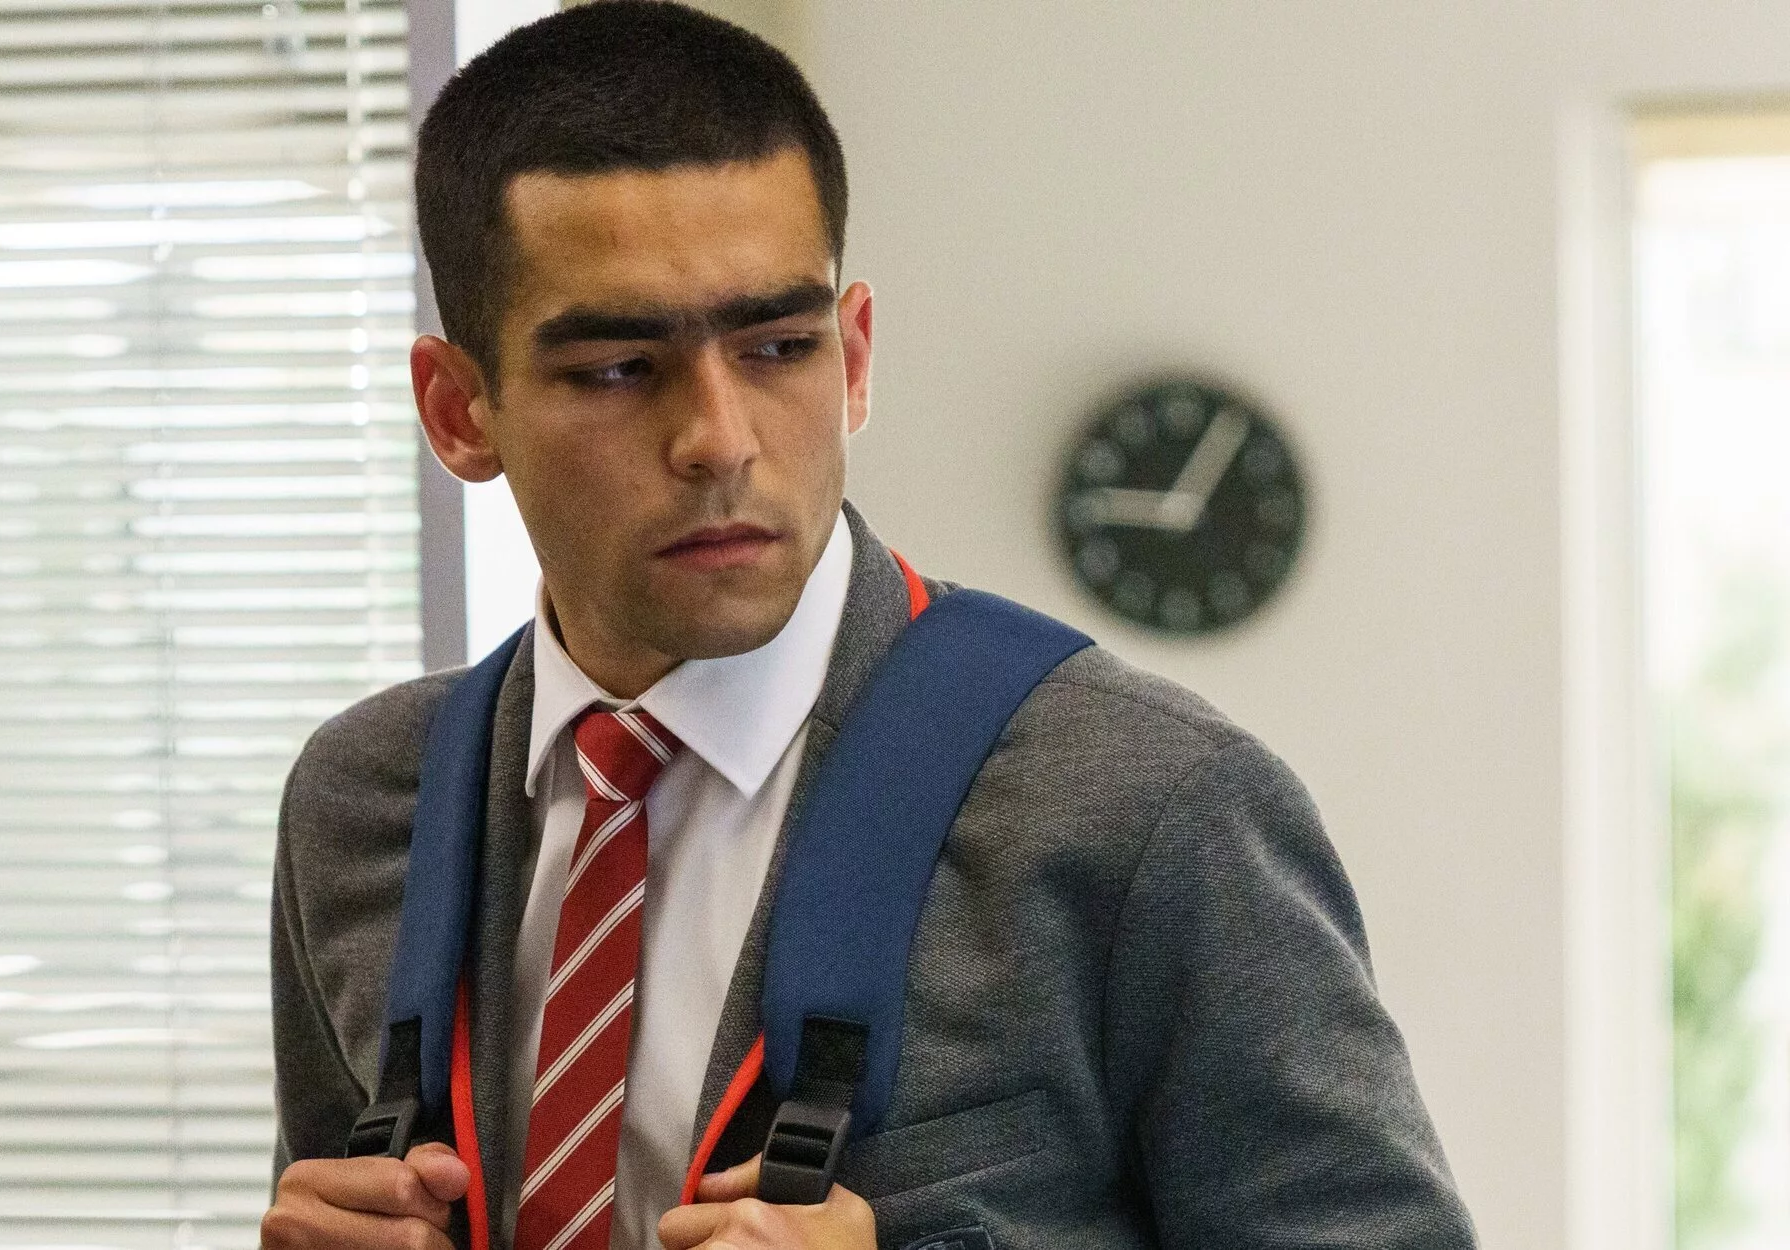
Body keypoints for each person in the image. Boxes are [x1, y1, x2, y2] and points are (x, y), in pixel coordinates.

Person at [262, 4, 1477, 1249]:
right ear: (457, 410)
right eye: (619, 368)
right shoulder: (360, 803)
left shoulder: (1147, 806)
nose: (719, 440)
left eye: (776, 346)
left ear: (850, 359)